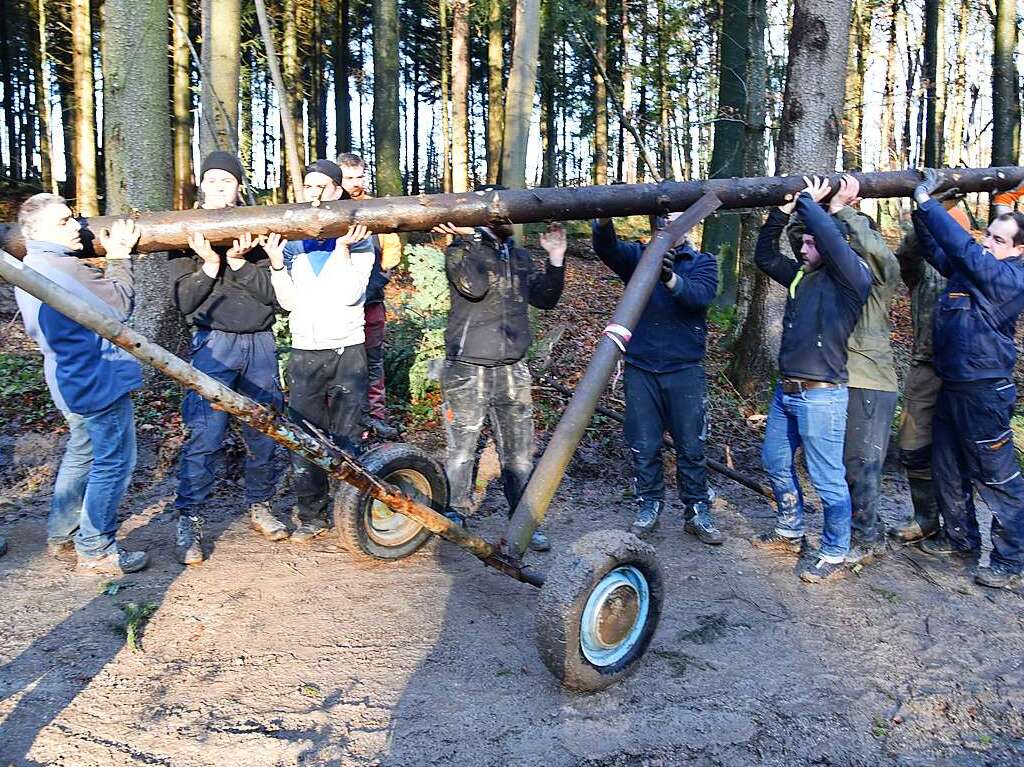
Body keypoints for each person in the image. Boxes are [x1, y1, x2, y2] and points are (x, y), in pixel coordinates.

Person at [14, 193, 148, 575]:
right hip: (96, 380)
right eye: (63, 222)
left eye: (74, 218)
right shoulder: (65, 269)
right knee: (115, 461)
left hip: (66, 379)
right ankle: (95, 548)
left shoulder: (27, 266)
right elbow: (119, 307)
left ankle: (61, 532)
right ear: (35, 232)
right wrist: (120, 256)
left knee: (82, 451)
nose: (77, 226)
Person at [750, 176, 872, 584]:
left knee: (826, 478)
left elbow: (829, 236)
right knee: (775, 462)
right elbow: (764, 256)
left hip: (822, 397)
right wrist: (782, 211)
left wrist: (810, 201)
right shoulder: (803, 276)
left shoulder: (852, 278)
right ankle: (791, 526)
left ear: (831, 246)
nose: (802, 248)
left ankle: (835, 549)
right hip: (786, 393)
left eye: (808, 243)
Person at [168, 151, 288, 564]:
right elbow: (185, 301)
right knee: (205, 433)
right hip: (212, 345)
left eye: (227, 181)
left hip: (259, 344)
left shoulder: (258, 228)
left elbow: (276, 298)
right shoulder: (182, 232)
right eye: (212, 180)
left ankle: (260, 505)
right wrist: (209, 264)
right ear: (202, 185)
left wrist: (238, 264)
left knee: (264, 430)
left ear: (239, 187)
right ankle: (191, 519)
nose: (219, 187)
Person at [432, 193, 566, 552]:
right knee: (462, 448)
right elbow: (473, 287)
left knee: (519, 453)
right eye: (499, 212)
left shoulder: (518, 255)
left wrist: (555, 259)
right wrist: (471, 237)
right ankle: (454, 516)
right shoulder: (460, 250)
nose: (508, 218)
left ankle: (522, 522)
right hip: (467, 367)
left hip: (513, 369)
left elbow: (545, 299)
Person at [911, 169, 1024, 590]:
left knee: (997, 478)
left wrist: (928, 201)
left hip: (985, 393)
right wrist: (919, 213)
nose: (987, 243)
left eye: (998, 239)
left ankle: (1011, 560)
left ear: (1017, 250)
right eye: (987, 235)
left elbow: (961, 247)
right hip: (953, 387)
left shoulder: (1009, 279)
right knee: (947, 467)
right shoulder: (973, 271)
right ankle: (960, 539)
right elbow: (938, 250)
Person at [787, 175, 901, 565]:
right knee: (840, 466)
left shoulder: (877, 273)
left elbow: (876, 252)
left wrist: (843, 210)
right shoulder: (830, 273)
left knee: (860, 465)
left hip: (868, 379)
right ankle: (860, 532)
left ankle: (867, 540)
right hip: (836, 378)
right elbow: (806, 241)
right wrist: (807, 206)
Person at [591, 212, 722, 544]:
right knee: (644, 444)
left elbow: (699, 297)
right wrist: (605, 217)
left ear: (690, 225)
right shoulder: (638, 257)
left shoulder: (702, 262)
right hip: (642, 368)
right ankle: (648, 505)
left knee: (691, 446)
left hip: (685, 370)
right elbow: (606, 249)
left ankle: (696, 511)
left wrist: (668, 278)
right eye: (663, 218)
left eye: (677, 218)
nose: (669, 223)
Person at [266, 160, 376, 542]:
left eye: (321, 186)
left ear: (336, 191)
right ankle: (312, 514)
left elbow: (350, 295)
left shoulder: (360, 236)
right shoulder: (294, 240)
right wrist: (278, 265)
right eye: (307, 186)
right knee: (304, 435)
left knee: (347, 434)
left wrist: (343, 250)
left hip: (347, 348)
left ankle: (350, 510)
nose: (313, 193)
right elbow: (289, 303)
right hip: (305, 350)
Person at [890, 201, 969, 543]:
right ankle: (925, 518)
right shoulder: (923, 268)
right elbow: (904, 256)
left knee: (959, 450)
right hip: (925, 365)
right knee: (913, 445)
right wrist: (926, 216)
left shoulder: (978, 266)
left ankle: (960, 530)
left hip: (965, 373)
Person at [336, 152, 404, 439]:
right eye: (349, 177)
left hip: (371, 300)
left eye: (359, 176)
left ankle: (375, 418)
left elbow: (393, 249)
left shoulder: (377, 208)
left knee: (372, 361)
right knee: (339, 362)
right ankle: (341, 420)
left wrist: (380, 276)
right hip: (337, 304)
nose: (355, 183)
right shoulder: (328, 209)